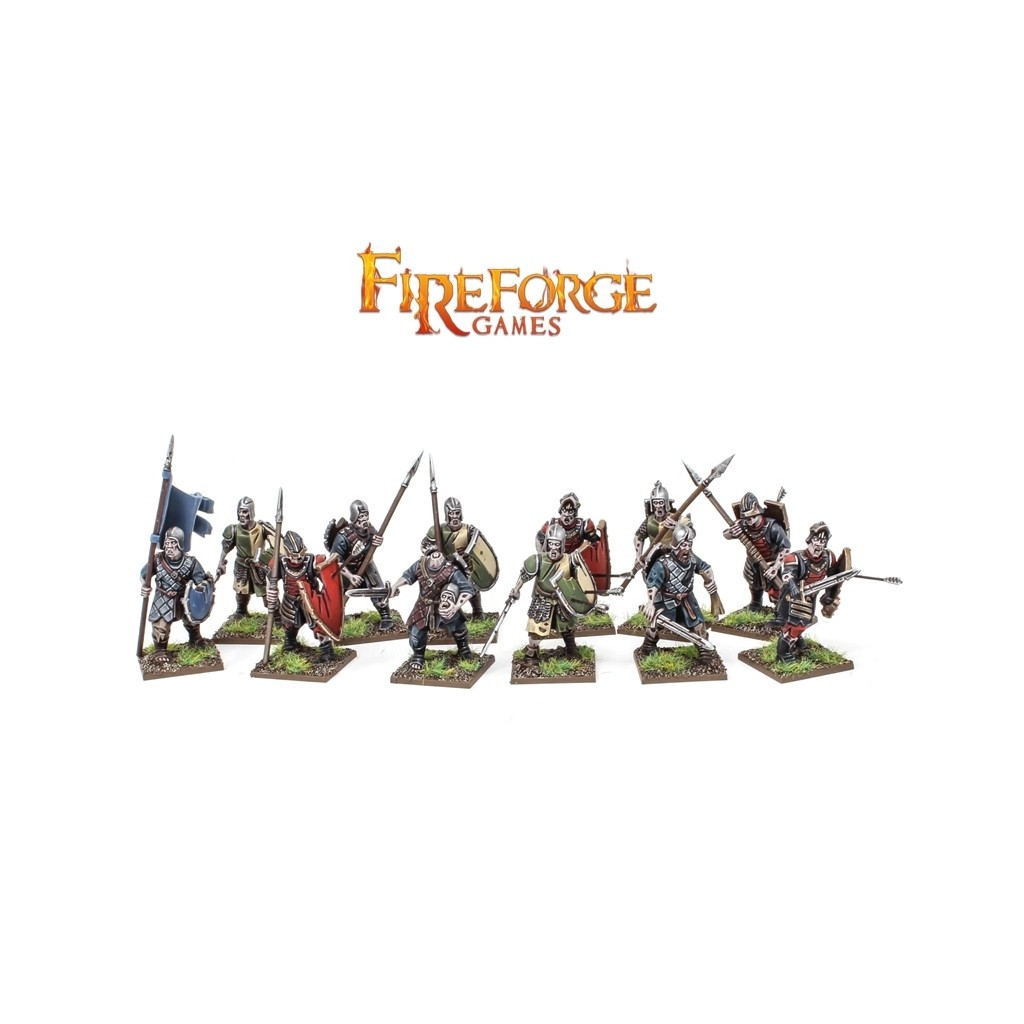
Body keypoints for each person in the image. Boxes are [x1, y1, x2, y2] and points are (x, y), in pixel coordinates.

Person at [509, 522, 590, 676]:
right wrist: (516, 590)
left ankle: (571, 648)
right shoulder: (538, 560)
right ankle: (532, 652)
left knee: (567, 626)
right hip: (543, 599)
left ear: (562, 545)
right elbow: (524, 575)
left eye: (557, 544)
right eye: (551, 543)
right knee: (536, 629)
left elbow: (580, 579)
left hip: (562, 600)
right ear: (546, 543)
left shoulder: (569, 560)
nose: (553, 548)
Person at [640, 522, 720, 665]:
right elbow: (653, 584)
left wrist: (711, 581)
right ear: (676, 545)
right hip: (666, 598)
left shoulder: (693, 560)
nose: (687, 549)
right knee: (655, 623)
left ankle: (704, 651)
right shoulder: (663, 563)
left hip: (687, 599)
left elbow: (706, 568)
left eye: (689, 545)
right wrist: (650, 603)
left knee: (698, 624)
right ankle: (648, 646)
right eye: (683, 545)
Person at [390, 541, 476, 671]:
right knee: (416, 633)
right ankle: (418, 656)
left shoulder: (451, 570)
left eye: (437, 552)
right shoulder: (420, 565)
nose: (435, 555)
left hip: (445, 604)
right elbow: (408, 576)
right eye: (432, 552)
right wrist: (395, 586)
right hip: (424, 604)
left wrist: (455, 607)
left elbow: (467, 589)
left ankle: (464, 649)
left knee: (458, 627)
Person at [775, 522, 844, 663]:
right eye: (816, 539)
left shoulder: (829, 557)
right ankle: (784, 649)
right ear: (810, 539)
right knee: (798, 623)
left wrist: (829, 595)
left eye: (823, 540)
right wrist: (793, 586)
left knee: (803, 621)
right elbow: (787, 575)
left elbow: (832, 576)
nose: (819, 543)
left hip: (811, 595)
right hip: (793, 595)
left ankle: (795, 639)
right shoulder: (795, 557)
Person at [141, 527, 214, 659]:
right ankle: (160, 650)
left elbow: (200, 580)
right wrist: (144, 586)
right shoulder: (157, 560)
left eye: (173, 543)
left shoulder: (191, 562)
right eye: (167, 543)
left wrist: (203, 586)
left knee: (192, 620)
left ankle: (195, 639)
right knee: (160, 625)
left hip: (183, 597)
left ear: (180, 544)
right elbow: (144, 575)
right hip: (163, 598)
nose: (169, 547)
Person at [266, 531, 339, 662]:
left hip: (310, 601)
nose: (297, 560)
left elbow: (327, 578)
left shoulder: (311, 561)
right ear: (287, 554)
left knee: (319, 626)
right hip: (290, 600)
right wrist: (270, 592)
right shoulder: (280, 563)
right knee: (289, 625)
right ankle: (290, 644)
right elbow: (270, 579)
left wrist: (327, 597)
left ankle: (327, 651)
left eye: (300, 557)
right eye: (293, 557)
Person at [421, 496, 497, 619]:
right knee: (441, 591)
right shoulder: (438, 530)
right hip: (446, 567)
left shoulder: (469, 530)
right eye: (452, 513)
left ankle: (477, 611)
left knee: (472, 587)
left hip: (466, 566)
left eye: (457, 513)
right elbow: (424, 546)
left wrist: (468, 557)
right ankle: (442, 615)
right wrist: (435, 552)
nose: (455, 516)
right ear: (447, 514)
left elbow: (479, 548)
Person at [326, 500, 395, 629]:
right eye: (361, 516)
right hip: (345, 570)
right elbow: (335, 561)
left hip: (366, 564)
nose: (364, 519)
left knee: (378, 589)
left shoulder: (369, 529)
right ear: (355, 517)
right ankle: (336, 618)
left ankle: (386, 616)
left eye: (366, 515)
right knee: (337, 595)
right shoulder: (343, 537)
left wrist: (378, 541)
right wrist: (350, 576)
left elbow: (376, 537)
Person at [724, 491, 790, 612]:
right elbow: (726, 535)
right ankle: (755, 603)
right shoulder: (743, 524)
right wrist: (731, 532)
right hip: (752, 560)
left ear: (758, 512)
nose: (749, 520)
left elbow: (785, 548)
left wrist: (775, 567)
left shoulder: (773, 526)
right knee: (753, 582)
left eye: (752, 517)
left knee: (774, 587)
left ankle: (780, 608)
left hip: (770, 562)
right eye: (746, 518)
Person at [217, 496, 275, 620]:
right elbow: (225, 548)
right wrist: (220, 563)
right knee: (241, 591)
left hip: (259, 566)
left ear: (251, 512)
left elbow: (276, 546)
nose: (241, 515)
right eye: (239, 511)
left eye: (244, 511)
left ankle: (277, 616)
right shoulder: (233, 530)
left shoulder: (262, 528)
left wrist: (264, 558)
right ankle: (241, 611)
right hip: (241, 565)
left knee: (267, 592)